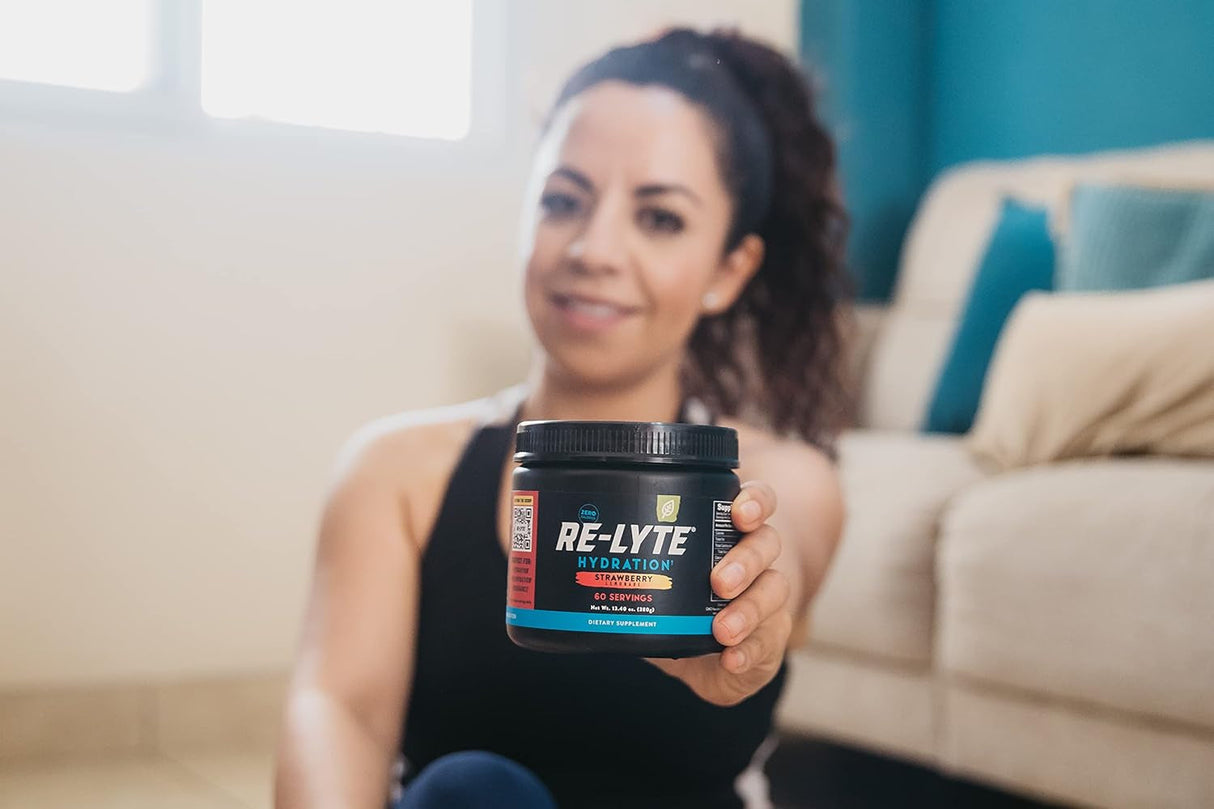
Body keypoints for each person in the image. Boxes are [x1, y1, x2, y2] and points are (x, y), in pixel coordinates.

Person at [273, 27, 849, 809]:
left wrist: (752, 615)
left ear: (728, 269)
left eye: (660, 218)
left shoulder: (785, 483)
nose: (593, 248)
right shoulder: (394, 473)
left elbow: (786, 562)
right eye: (563, 200)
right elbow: (339, 710)